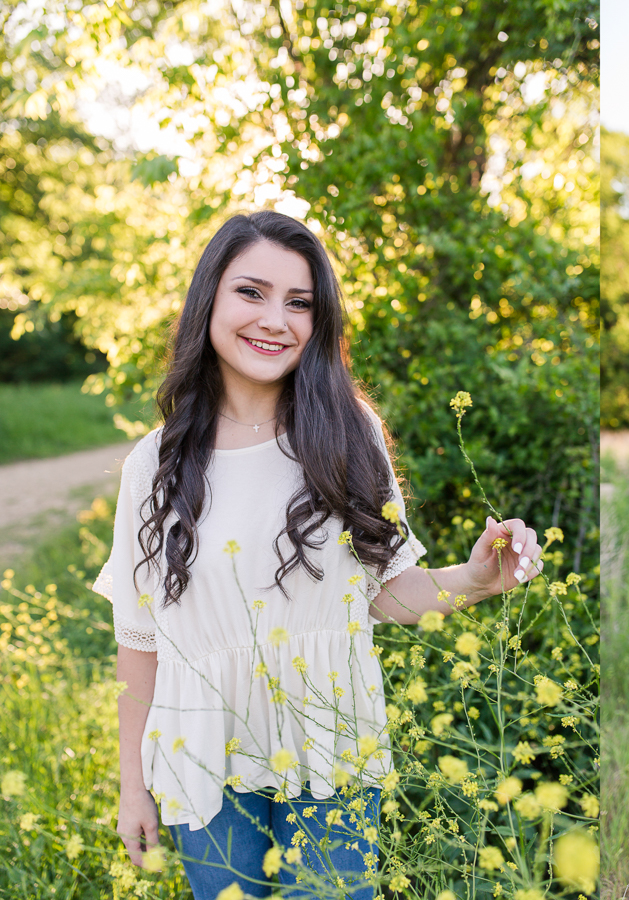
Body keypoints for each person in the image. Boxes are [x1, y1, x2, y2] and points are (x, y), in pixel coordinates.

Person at [98, 210, 543, 899]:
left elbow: (383, 592)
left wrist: (478, 577)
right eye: (252, 292)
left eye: (299, 302)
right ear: (208, 297)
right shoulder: (151, 466)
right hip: (202, 752)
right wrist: (134, 787)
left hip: (330, 739)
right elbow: (139, 642)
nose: (276, 319)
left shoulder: (347, 430)